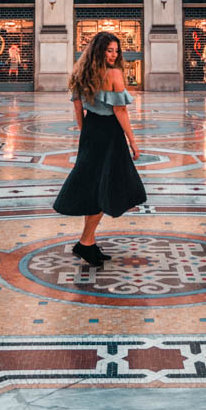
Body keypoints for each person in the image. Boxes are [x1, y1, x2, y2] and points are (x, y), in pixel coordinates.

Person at [53, 31, 146, 267]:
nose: (114, 55)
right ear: (99, 51)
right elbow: (120, 111)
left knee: (95, 185)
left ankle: (89, 242)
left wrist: (87, 133)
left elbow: (78, 110)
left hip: (91, 131)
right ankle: (85, 242)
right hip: (110, 134)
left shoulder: (80, 72)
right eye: (109, 50)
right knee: (106, 187)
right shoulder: (114, 74)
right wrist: (132, 140)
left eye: (116, 50)